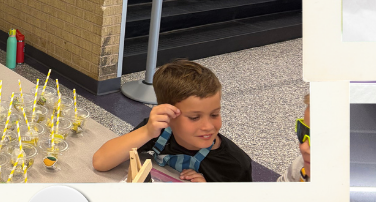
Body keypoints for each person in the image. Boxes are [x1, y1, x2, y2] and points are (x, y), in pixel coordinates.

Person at [91, 59, 257, 182]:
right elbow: (101, 161)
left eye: (214, 115)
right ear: (168, 115)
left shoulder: (235, 164)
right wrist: (147, 131)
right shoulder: (159, 131)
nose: (208, 126)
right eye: (194, 117)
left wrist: (209, 195)